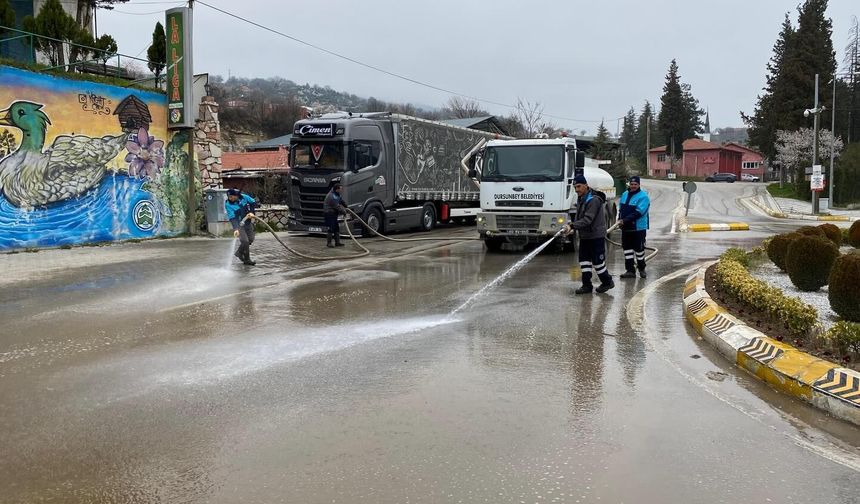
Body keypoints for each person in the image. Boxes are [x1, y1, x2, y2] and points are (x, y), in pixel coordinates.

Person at [563, 175, 614, 294]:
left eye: (579, 186)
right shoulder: (582, 198)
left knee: (598, 263)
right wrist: (573, 228)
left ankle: (607, 282)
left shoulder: (593, 200)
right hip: (585, 236)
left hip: (595, 236)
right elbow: (579, 216)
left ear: (586, 185)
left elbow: (587, 220)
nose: (577, 189)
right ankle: (587, 285)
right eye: (575, 187)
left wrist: (572, 226)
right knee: (584, 261)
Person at [618, 176, 650, 279]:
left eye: (635, 184)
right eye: (631, 184)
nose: (633, 186)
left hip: (638, 228)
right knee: (627, 249)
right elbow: (621, 209)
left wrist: (624, 220)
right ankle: (630, 271)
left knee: (639, 250)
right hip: (626, 228)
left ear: (639, 185)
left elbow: (638, 212)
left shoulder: (643, 197)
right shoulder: (625, 194)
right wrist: (619, 219)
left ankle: (641, 269)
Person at [225, 188, 257, 266]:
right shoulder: (228, 204)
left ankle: (239, 252)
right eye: (229, 197)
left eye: (231, 196)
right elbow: (232, 217)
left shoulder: (243, 197)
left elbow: (253, 202)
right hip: (239, 224)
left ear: (235, 195)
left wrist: (251, 212)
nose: (230, 198)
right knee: (245, 241)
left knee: (251, 239)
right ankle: (247, 259)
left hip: (247, 221)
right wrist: (236, 229)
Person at [323, 183, 348, 248]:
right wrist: (344, 212)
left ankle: (337, 242)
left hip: (334, 214)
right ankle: (329, 243)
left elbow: (340, 200)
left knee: (336, 228)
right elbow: (337, 207)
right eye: (340, 189)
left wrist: (345, 205)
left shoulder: (336, 194)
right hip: (329, 213)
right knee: (331, 228)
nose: (341, 190)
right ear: (337, 189)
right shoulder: (331, 197)